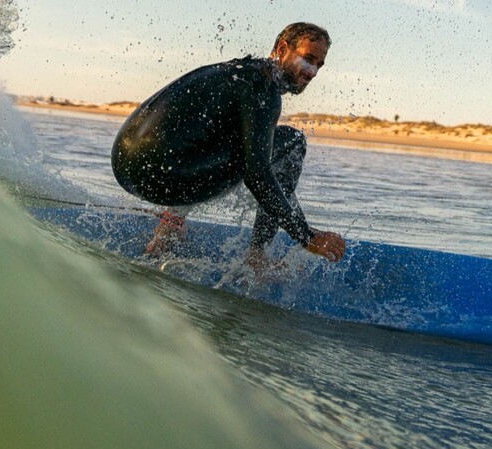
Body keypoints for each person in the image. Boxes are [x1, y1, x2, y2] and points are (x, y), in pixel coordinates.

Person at [111, 22, 346, 267]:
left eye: (319, 65)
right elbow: (257, 175)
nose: (313, 72)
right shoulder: (263, 89)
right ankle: (257, 255)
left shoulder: (241, 72)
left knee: (241, 143)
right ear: (283, 48)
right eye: (308, 59)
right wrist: (307, 236)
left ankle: (171, 223)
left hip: (125, 165)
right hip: (159, 178)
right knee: (291, 142)